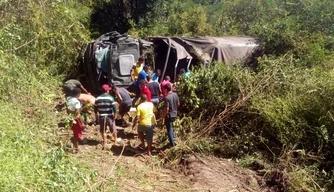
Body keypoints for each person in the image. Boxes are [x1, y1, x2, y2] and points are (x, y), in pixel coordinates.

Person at [94, 84, 121, 149]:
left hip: (101, 116)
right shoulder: (110, 98)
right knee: (113, 128)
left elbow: (95, 110)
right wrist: (115, 116)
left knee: (103, 130)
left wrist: (97, 118)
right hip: (109, 116)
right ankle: (115, 140)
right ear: (107, 91)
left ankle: (105, 142)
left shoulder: (97, 99)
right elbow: (115, 109)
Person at [66, 87, 84, 153]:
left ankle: (75, 147)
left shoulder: (68, 98)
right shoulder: (76, 102)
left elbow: (68, 109)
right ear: (78, 94)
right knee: (76, 135)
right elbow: (78, 114)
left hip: (70, 118)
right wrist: (82, 122)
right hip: (75, 119)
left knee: (74, 132)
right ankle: (76, 149)